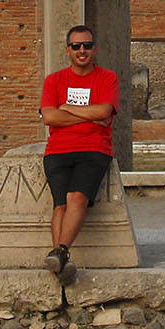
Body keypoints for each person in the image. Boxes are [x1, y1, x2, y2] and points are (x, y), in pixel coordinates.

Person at [37, 24, 117, 284]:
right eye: (76, 46)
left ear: (94, 49)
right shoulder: (54, 80)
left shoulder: (107, 78)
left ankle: (59, 252)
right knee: (60, 204)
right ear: (67, 51)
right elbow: (49, 116)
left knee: (76, 197)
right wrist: (90, 115)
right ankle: (62, 260)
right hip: (58, 151)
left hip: (93, 149)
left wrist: (67, 108)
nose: (81, 50)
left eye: (86, 45)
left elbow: (105, 112)